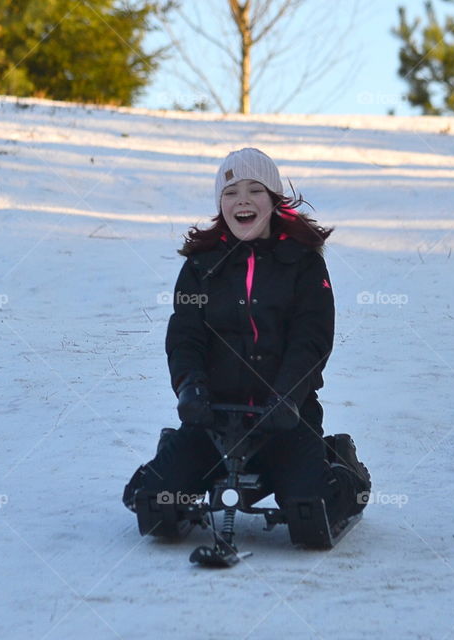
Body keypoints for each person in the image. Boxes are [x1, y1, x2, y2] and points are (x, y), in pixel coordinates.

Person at [122, 148, 371, 546]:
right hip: (212, 422)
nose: (242, 200)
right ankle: (173, 449)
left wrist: (286, 398)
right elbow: (185, 336)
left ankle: (339, 461)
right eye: (231, 191)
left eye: (255, 190)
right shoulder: (201, 266)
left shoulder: (303, 264)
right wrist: (191, 388)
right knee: (155, 507)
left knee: (312, 519)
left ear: (273, 200)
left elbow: (312, 339)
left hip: (283, 422)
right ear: (220, 204)